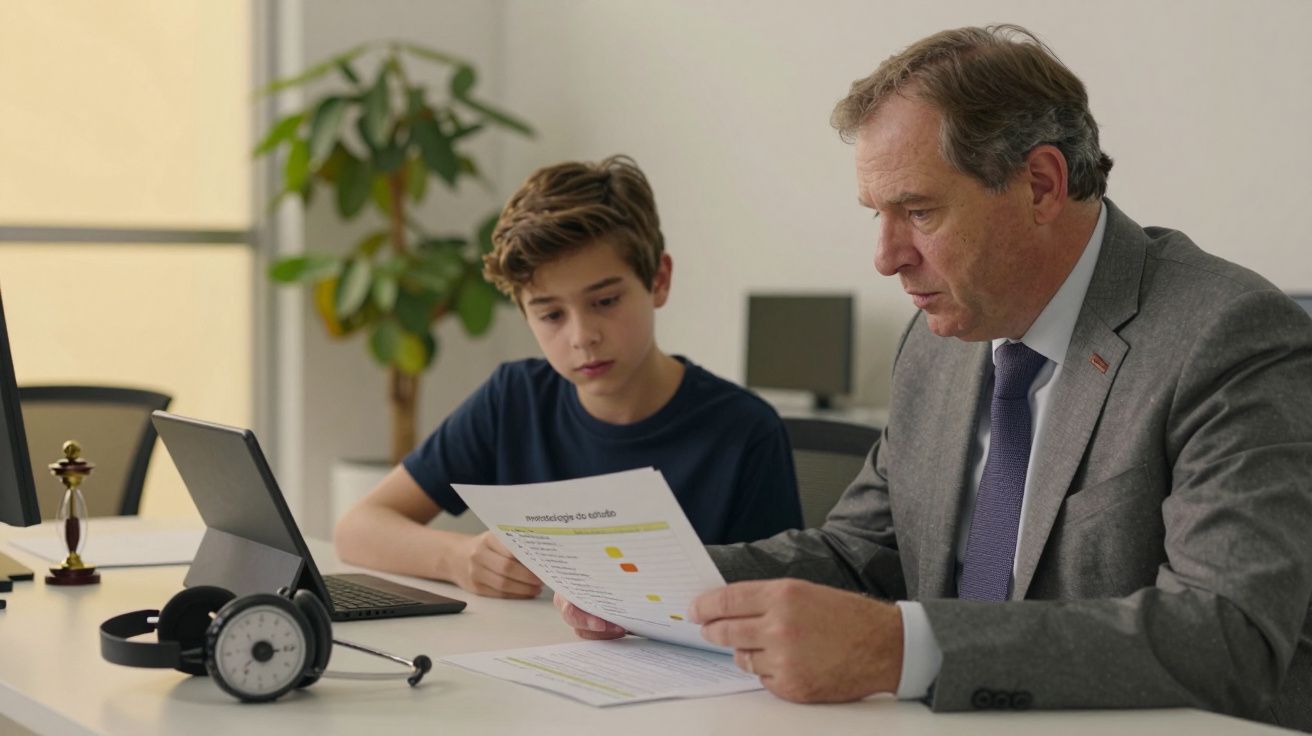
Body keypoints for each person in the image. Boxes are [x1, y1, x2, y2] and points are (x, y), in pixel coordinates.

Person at [555, 26, 1312, 729]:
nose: (885, 257)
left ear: (1042, 184)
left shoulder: (1226, 336)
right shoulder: (941, 338)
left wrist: (902, 647)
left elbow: (1229, 636)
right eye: (875, 214)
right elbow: (863, 553)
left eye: (917, 211)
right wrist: (659, 589)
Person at [335, 155, 803, 599]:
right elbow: (358, 528)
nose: (582, 337)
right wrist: (457, 557)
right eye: (551, 314)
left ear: (658, 280)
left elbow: (783, 600)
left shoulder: (745, 431)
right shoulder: (514, 399)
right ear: (524, 314)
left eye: (605, 302)